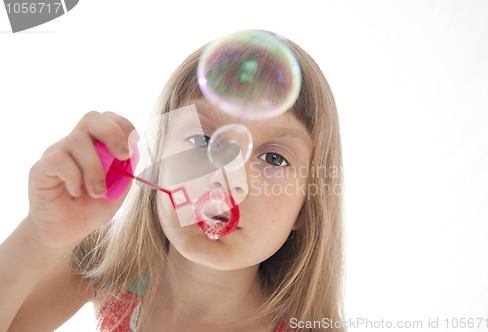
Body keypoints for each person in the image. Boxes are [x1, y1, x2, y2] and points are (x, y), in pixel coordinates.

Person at [0, 30, 345, 332]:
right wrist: (40, 237)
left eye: (273, 158)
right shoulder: (106, 263)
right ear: (158, 157)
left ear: (307, 204)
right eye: (204, 141)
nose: (228, 178)